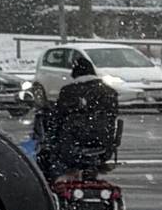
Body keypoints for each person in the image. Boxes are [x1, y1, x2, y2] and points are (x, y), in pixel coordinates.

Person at [33, 53, 118, 182]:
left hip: (71, 146)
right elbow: (112, 117)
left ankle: (52, 185)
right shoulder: (109, 93)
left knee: (47, 157)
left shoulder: (69, 92)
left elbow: (57, 118)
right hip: (102, 145)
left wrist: (50, 139)